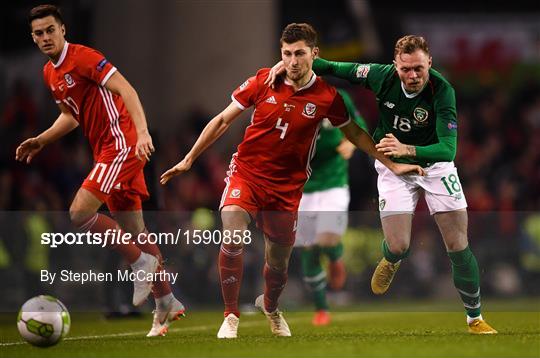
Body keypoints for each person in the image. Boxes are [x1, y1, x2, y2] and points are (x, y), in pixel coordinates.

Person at [160, 23, 424, 339]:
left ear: (314, 54)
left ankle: (270, 307)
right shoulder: (262, 81)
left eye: (299, 53)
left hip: (286, 189)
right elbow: (221, 120)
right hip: (247, 173)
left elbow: (354, 133)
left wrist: (390, 163)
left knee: (279, 263)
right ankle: (230, 316)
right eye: (286, 54)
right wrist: (190, 158)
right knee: (231, 232)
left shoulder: (327, 97)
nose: (293, 61)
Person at [266, 34, 497, 334]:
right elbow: (331, 66)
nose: (412, 76)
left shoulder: (442, 90)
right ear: (394, 65)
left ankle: (474, 318)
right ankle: (391, 257)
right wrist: (287, 65)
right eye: (405, 69)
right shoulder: (379, 76)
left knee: (457, 244)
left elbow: (448, 149)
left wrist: (408, 149)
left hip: (435, 167)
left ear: (429, 63)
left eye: (418, 69)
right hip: (393, 167)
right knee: (400, 245)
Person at [16, 4, 184, 337]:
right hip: (107, 151)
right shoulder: (50, 73)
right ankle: (166, 300)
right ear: (33, 38)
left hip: (122, 144)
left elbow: (127, 89)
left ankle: (140, 264)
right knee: (136, 230)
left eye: (51, 29)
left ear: (63, 30)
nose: (46, 36)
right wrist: (41, 140)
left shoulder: (84, 57)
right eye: (39, 33)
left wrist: (144, 133)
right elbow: (70, 116)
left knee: (79, 213)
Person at [295, 88, 368, 326]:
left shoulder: (336, 97)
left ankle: (335, 257)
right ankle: (321, 309)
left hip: (333, 180)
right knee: (308, 247)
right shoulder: (286, 103)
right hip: (301, 185)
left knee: (326, 239)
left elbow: (358, 125)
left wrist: (350, 142)